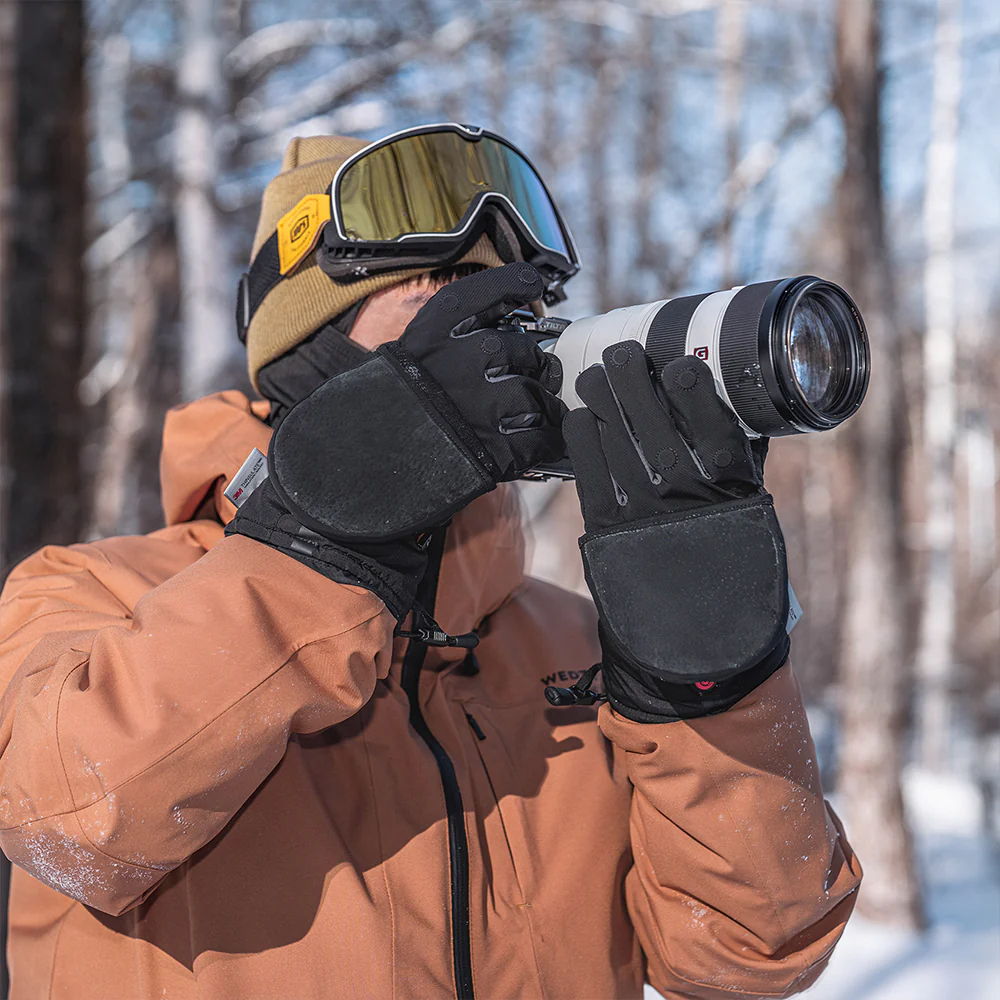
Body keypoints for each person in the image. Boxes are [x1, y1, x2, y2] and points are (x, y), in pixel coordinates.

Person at [0, 125, 860, 1000]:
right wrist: (325, 535)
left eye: (497, 310)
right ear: (308, 340)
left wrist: (711, 683)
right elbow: (72, 817)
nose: (481, 332)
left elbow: (751, 953)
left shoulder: (578, 639)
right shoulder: (91, 591)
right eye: (431, 302)